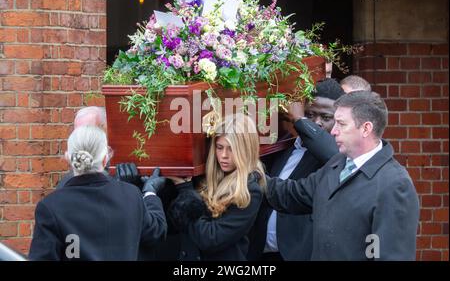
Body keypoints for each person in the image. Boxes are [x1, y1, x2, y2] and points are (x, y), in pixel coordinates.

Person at [265, 91, 420, 260]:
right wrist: (249, 174)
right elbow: (293, 195)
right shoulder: (337, 164)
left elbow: (391, 256)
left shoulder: (394, 184)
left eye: (341, 124)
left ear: (366, 128)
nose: (333, 131)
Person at [29, 126, 167, 260]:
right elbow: (156, 231)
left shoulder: (51, 206)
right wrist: (150, 193)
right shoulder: (130, 195)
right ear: (105, 159)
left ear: (68, 158)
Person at [247, 79, 344, 261]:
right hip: (261, 253)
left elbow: (332, 153)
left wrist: (301, 120)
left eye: (325, 117)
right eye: (310, 114)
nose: (316, 122)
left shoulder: (338, 155)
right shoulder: (285, 147)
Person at [164, 113, 266, 261]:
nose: (224, 155)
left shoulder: (250, 189)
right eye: (219, 147)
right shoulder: (205, 176)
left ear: (246, 150)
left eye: (231, 149)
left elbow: (210, 239)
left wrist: (185, 191)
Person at [56, 106, 139, 189]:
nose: (80, 138)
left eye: (88, 132)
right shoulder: (66, 183)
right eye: (78, 133)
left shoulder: (126, 166)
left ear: (106, 131)